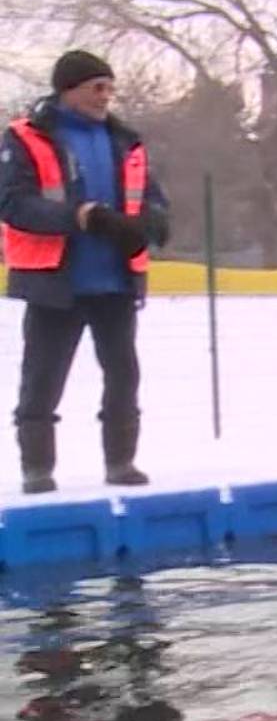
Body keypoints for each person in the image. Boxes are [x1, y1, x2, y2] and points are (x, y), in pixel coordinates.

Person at [1, 50, 168, 493]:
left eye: (110, 88)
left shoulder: (125, 140)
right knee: (42, 377)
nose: (106, 97)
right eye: (98, 88)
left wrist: (151, 220)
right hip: (56, 281)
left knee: (123, 374)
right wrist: (81, 216)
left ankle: (121, 464)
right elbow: (14, 202)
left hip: (115, 280)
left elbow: (150, 193)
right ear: (68, 89)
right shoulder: (26, 138)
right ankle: (38, 472)